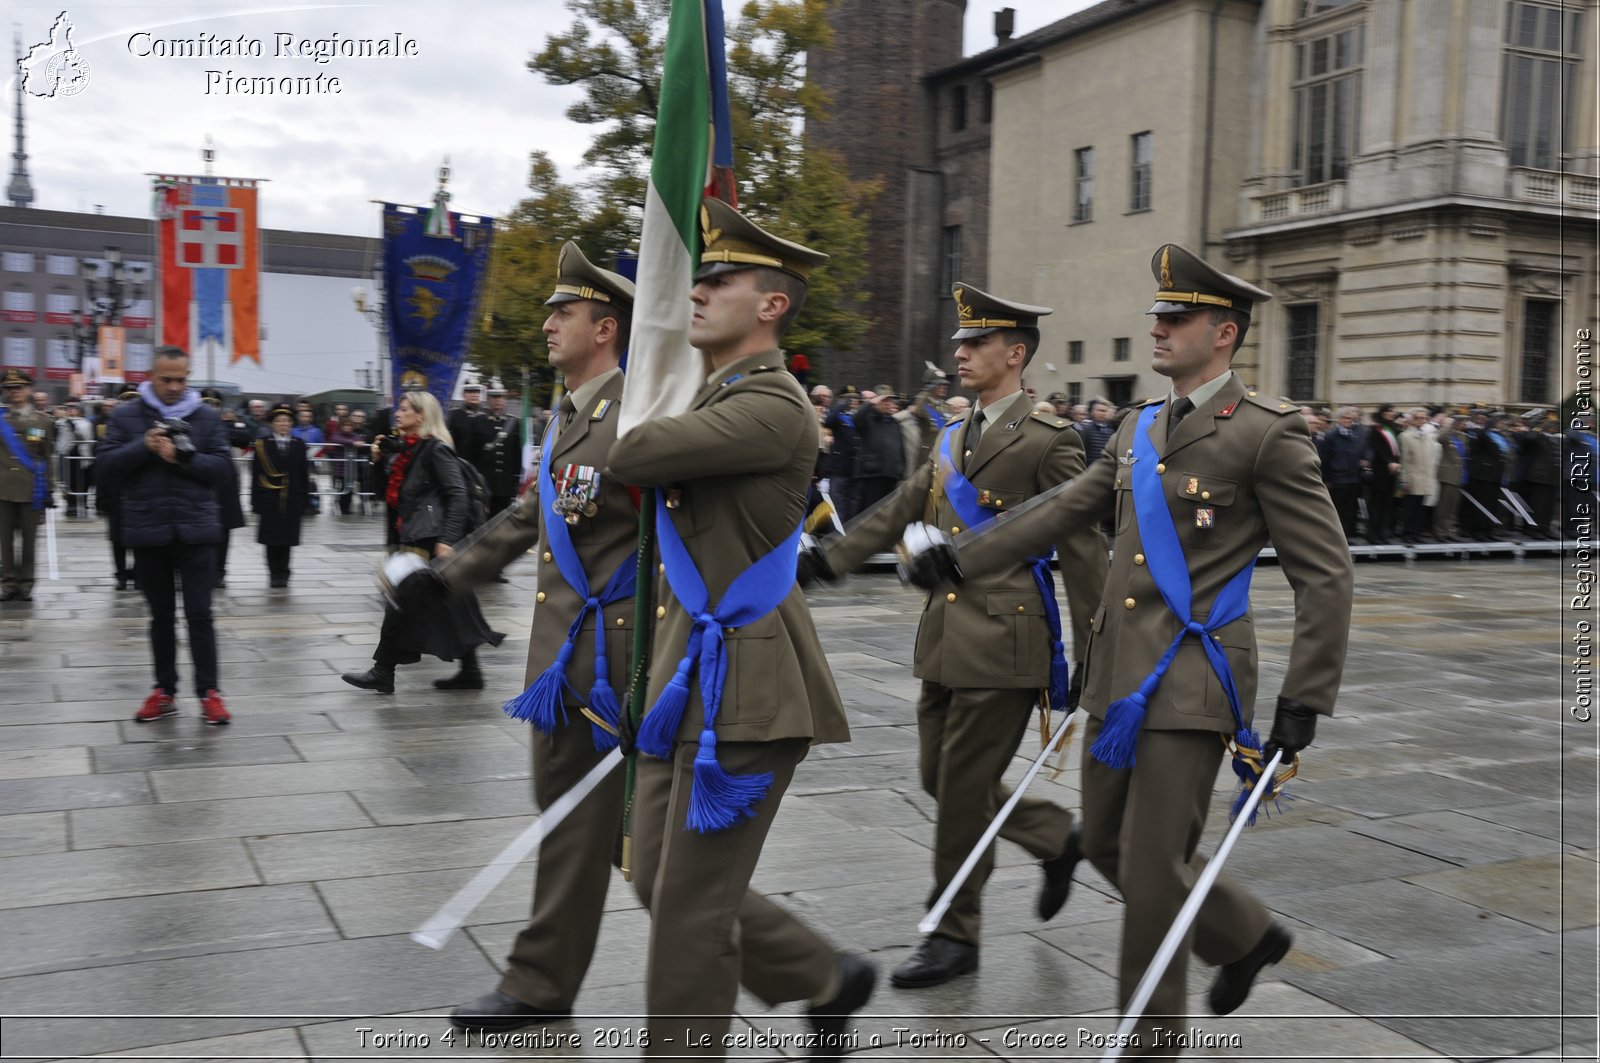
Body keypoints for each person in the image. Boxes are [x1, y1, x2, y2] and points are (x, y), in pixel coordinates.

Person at [915, 244, 1353, 1055]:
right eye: (1156, 313)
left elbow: (1324, 574)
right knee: (1111, 846)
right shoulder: (1137, 425)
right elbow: (1062, 508)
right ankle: (1245, 932)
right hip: (1117, 679)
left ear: (1223, 333)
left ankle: (1146, 1040)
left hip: (1192, 676)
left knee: (1152, 869)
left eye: (1174, 316)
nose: (1156, 326)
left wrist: (1305, 698)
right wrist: (961, 554)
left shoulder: (1266, 434)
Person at [605, 198, 874, 1056]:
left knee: (690, 909)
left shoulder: (774, 406)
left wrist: (642, 374)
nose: (697, 292)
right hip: (684, 674)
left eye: (719, 281)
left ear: (770, 305)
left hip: (747, 687)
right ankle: (823, 977)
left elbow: (632, 455)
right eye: (701, 277)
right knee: (655, 875)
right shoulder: (718, 393)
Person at [805, 282, 1107, 988]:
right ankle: (1050, 835)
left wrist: (1095, 649)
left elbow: (1082, 541)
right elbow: (899, 508)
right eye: (960, 344)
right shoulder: (949, 433)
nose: (961, 354)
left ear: (1015, 353)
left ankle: (952, 933)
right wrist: (830, 559)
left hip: (1006, 639)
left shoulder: (1050, 438)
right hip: (943, 631)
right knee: (937, 776)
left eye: (975, 344)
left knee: (963, 788)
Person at [435, 243, 639, 1033]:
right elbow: (532, 517)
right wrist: (446, 578)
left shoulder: (633, 415)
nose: (549, 321)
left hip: (611, 660)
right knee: (571, 817)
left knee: (642, 849)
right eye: (552, 308)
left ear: (607, 326)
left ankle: (539, 982)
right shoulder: (571, 411)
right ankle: (542, 981)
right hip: (564, 655)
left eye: (566, 310)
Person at [95, 347, 233, 724]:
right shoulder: (126, 416)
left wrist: (182, 458)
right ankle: (164, 690)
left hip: (197, 532)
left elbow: (223, 470)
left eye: (181, 379)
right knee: (160, 617)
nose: (174, 386)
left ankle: (209, 692)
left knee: (200, 615)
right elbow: (104, 467)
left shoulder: (205, 416)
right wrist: (144, 446)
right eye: (166, 379)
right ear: (151, 377)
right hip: (148, 531)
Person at [341, 390, 502, 693]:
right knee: (452, 603)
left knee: (401, 604)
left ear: (421, 416)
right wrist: (377, 461)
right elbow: (384, 496)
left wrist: (447, 539)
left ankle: (383, 671)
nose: (397, 414)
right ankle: (470, 671)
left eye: (404, 409)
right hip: (415, 536)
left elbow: (458, 494)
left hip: (430, 540)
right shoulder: (407, 451)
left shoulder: (435, 450)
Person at [0, 370, 53, 602]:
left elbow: (47, 457)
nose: (15, 392)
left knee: (30, 541)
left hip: (32, 488)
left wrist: (49, 489)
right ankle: (8, 583)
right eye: (10, 388)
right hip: (3, 489)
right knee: (5, 541)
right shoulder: (2, 420)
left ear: (29, 390)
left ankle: (26, 584)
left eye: (19, 387)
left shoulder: (42, 422)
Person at [251, 406, 314, 587]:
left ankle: (284, 572)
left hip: (291, 498)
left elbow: (303, 474)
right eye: (279, 421)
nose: (283, 424)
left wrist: (304, 499)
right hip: (269, 498)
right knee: (271, 538)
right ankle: (273, 572)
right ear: (272, 424)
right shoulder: (263, 444)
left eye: (287, 421)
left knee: (287, 538)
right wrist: (255, 501)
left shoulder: (298, 444)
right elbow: (256, 474)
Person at [852, 386, 906, 510]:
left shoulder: (893, 422)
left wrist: (901, 469)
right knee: (869, 510)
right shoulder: (868, 419)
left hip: (890, 474)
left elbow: (900, 448)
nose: (888, 404)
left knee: (885, 511)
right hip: (872, 474)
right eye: (884, 400)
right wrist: (871, 403)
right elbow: (856, 418)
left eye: (890, 401)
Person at [1318, 405, 1367, 541]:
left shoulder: (1355, 434)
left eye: (1351, 419)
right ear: (1339, 419)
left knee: (1350, 510)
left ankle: (1345, 536)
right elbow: (1326, 458)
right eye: (1346, 418)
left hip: (1353, 477)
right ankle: (1334, 537)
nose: (1349, 421)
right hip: (1338, 478)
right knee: (1337, 510)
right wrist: (1326, 479)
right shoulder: (1331, 435)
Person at [474, 387, 524, 519]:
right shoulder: (477, 422)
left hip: (504, 484)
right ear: (488, 400)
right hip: (482, 482)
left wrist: (516, 481)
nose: (498, 400)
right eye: (494, 397)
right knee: (479, 520)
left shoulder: (514, 423)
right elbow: (470, 454)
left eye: (501, 397)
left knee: (499, 521)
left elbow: (517, 455)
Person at [1397, 407, 1439, 543]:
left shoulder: (1428, 436)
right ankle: (1407, 533)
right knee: (1410, 507)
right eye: (1418, 418)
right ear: (1412, 420)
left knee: (1421, 507)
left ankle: (1416, 532)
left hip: (1425, 476)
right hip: (1412, 476)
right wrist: (1405, 480)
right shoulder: (1405, 436)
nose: (1421, 420)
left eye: (1424, 418)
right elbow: (1404, 460)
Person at [447, 382, 488, 467]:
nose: (474, 395)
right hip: (459, 463)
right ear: (463, 395)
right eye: (470, 392)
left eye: (477, 392)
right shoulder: (453, 415)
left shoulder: (487, 415)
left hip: (483, 465)